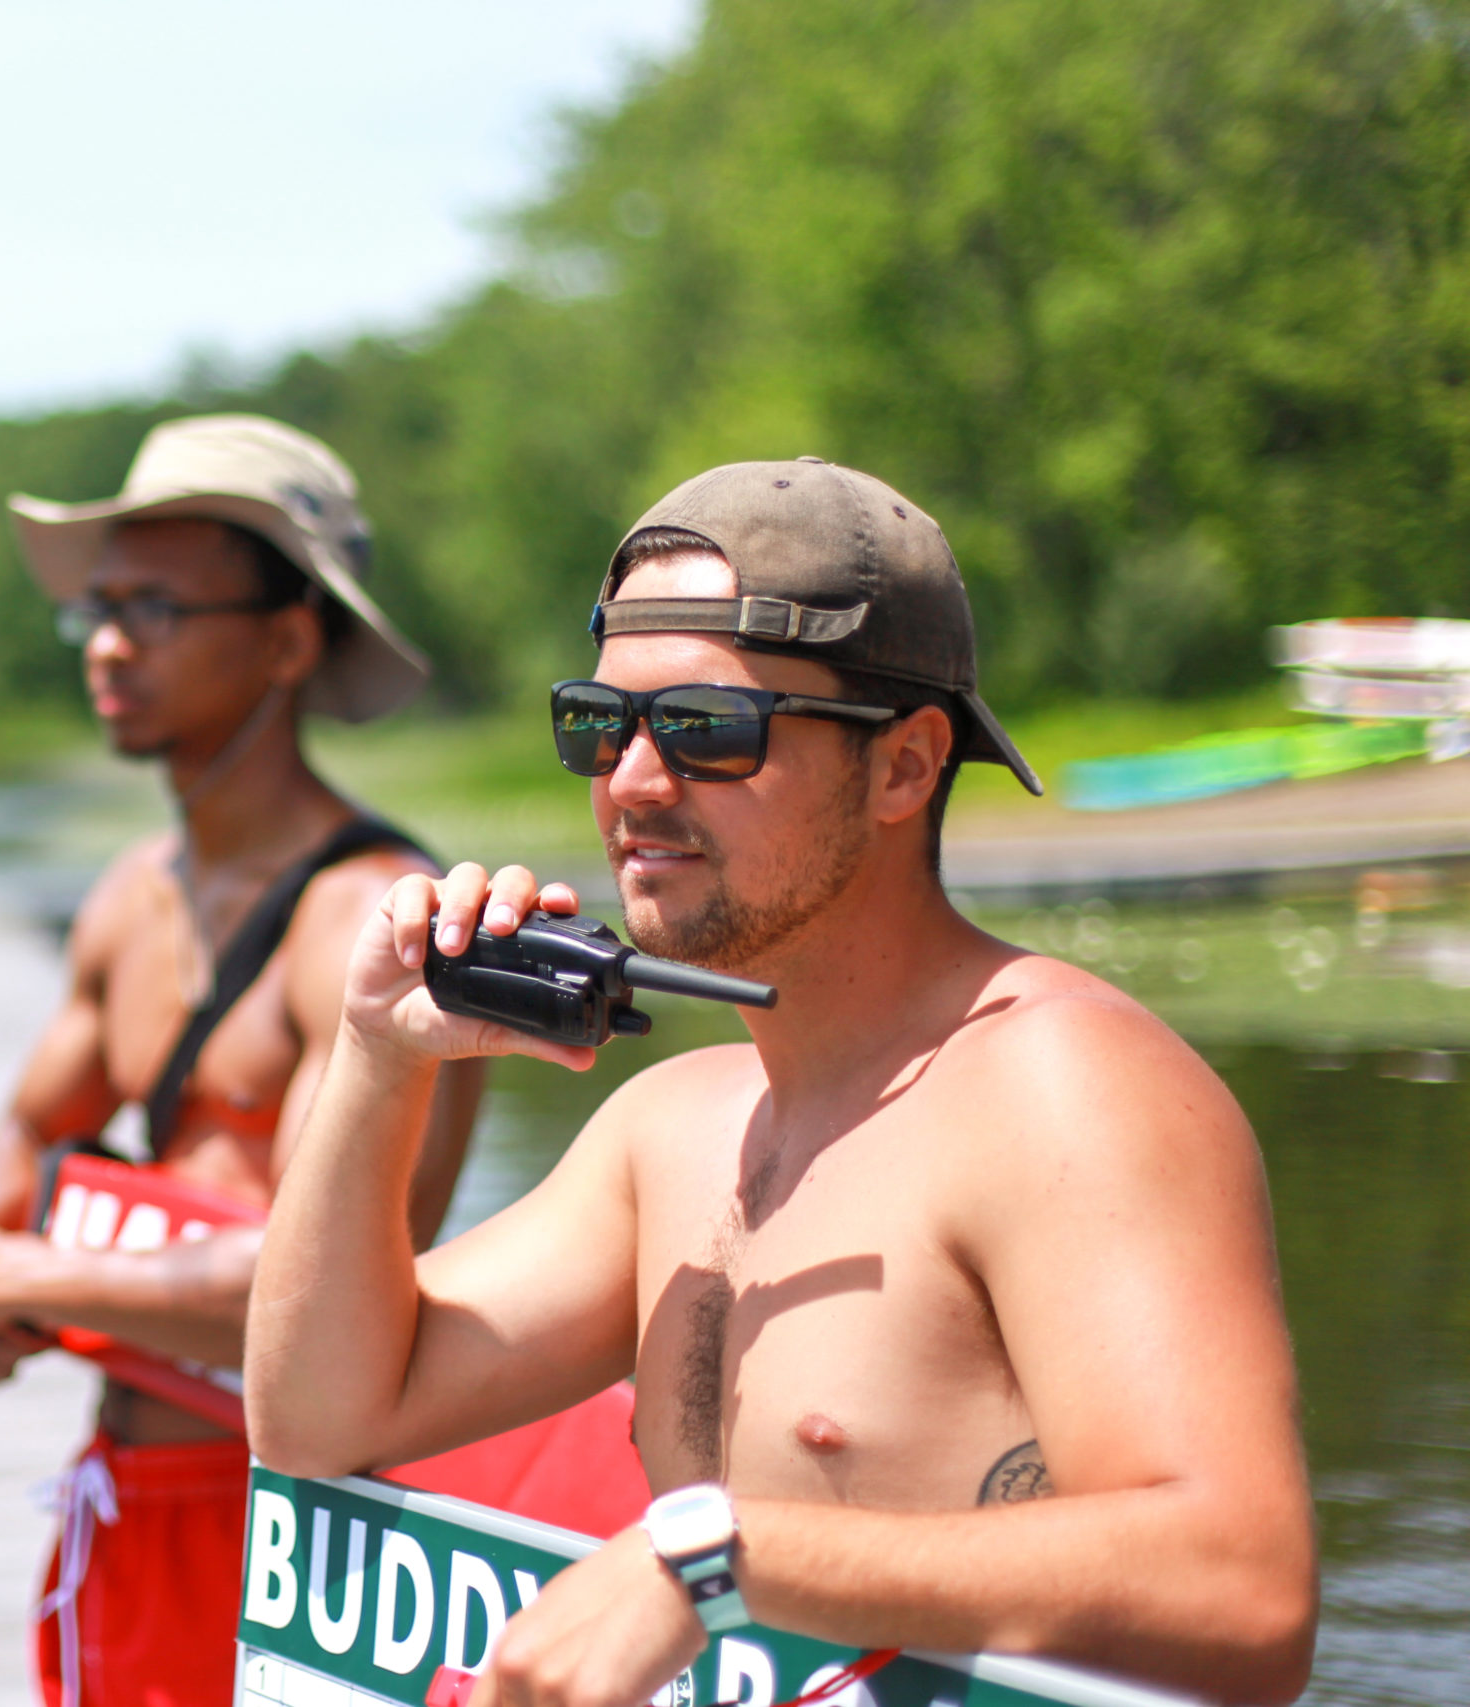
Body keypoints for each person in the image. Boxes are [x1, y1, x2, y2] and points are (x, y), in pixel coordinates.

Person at [246, 458, 1318, 1706]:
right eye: (602, 725)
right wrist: (377, 1056)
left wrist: (708, 1557)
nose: (633, 783)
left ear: (907, 767)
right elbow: (318, 1419)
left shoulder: (1059, 1089)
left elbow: (1244, 1588)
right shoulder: (670, 1130)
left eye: (707, 730)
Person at [0, 415, 486, 1707]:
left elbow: (338, 1274)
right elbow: (21, 1139)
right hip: (128, 1489)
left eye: (154, 606)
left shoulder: (380, 924)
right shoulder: (130, 899)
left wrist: (22, 1271)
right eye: (99, 606)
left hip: (314, 1521)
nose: (107, 641)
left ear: (286, 637)